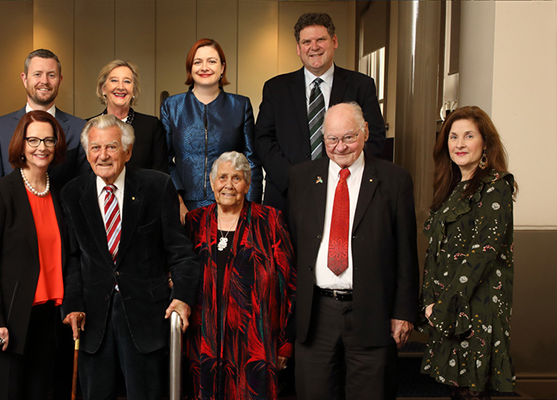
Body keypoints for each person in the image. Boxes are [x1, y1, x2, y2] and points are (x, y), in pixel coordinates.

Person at [60, 115, 199, 400]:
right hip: (93, 322)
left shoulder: (157, 186)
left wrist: (183, 297)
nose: (103, 155)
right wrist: (72, 305)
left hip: (146, 318)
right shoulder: (73, 194)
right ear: (86, 153)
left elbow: (181, 252)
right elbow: (72, 258)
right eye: (95, 148)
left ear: (128, 151)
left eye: (111, 147)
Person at [285, 103, 418, 400]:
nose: (340, 147)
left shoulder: (394, 180)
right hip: (316, 314)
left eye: (349, 137)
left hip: (373, 311)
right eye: (332, 139)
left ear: (366, 131)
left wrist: (403, 312)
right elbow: (292, 247)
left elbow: (406, 252)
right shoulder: (301, 178)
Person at [0, 110, 69, 399]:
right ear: (20, 145)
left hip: (47, 318)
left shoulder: (60, 193)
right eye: (33, 139)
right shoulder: (0, 192)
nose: (42, 147)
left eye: (49, 140)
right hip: (7, 319)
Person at [420, 106, 517, 400]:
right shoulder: (452, 189)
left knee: (471, 393)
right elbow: (436, 253)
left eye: (468, 136)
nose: (459, 144)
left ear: (485, 143)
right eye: (453, 137)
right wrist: (429, 302)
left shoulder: (496, 186)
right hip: (448, 307)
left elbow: (482, 253)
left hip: (476, 309)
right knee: (456, 391)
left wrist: (443, 306)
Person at [184, 151, 296, 400]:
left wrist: (285, 342)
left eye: (237, 178)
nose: (228, 185)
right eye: (222, 177)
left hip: (256, 346)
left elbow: (289, 284)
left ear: (247, 184)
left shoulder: (270, 221)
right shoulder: (195, 222)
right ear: (212, 183)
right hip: (204, 345)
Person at [255, 12, 386, 213]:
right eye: (306, 41)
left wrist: (344, 177)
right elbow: (263, 140)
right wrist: (293, 179)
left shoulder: (361, 85)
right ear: (298, 48)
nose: (314, 47)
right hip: (286, 196)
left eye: (321, 40)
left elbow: (374, 137)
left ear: (334, 41)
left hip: (346, 192)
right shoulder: (276, 88)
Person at [161, 38, 262, 220]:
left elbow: (251, 162)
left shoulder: (240, 105)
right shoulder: (172, 106)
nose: (204, 67)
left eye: (212, 61)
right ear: (190, 68)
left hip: (232, 205)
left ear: (222, 67)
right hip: (185, 207)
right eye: (197, 62)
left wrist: (249, 208)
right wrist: (178, 202)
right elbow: (164, 160)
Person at [0, 48, 88, 191]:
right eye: (37, 74)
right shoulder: (0, 128)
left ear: (60, 80)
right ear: (25, 79)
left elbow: (83, 186)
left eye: (51, 75)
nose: (44, 81)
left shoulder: (80, 128)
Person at [89, 59, 168, 172]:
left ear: (134, 91)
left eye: (127, 81)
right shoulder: (88, 127)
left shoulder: (151, 126)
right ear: (103, 89)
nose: (121, 87)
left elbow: (161, 176)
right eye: (114, 80)